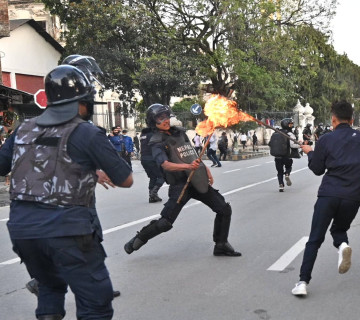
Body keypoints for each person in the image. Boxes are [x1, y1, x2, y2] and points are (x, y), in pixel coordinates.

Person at [0, 64, 133, 320]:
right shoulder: (86, 132)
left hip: (22, 230)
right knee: (96, 302)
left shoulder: (23, 129)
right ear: (83, 101)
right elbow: (125, 179)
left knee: (50, 286)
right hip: (68, 230)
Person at [124, 104, 241, 257]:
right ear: (153, 122)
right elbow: (165, 165)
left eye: (166, 116)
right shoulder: (156, 141)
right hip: (180, 185)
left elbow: (192, 155)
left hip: (197, 181)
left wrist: (206, 170)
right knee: (166, 222)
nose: (165, 120)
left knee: (224, 209)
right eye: (160, 118)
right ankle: (139, 239)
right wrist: (187, 166)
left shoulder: (180, 133)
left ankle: (221, 244)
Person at [292, 100, 360, 297]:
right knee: (339, 229)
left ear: (333, 119)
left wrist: (309, 152)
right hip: (353, 196)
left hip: (329, 194)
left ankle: (303, 282)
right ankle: (343, 245)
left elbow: (317, 169)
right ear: (352, 119)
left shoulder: (326, 139)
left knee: (315, 239)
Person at [273, 118, 300, 192]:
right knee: (288, 167)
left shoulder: (276, 133)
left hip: (277, 156)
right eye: (290, 124)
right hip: (287, 156)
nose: (292, 126)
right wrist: (300, 145)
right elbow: (293, 145)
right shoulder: (290, 134)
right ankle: (287, 174)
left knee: (279, 172)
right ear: (287, 125)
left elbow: (271, 144)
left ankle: (281, 185)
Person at [140, 126, 165, 203]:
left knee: (153, 177)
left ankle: (152, 197)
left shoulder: (142, 135)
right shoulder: (152, 135)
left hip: (143, 158)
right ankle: (153, 193)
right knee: (162, 176)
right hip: (152, 158)